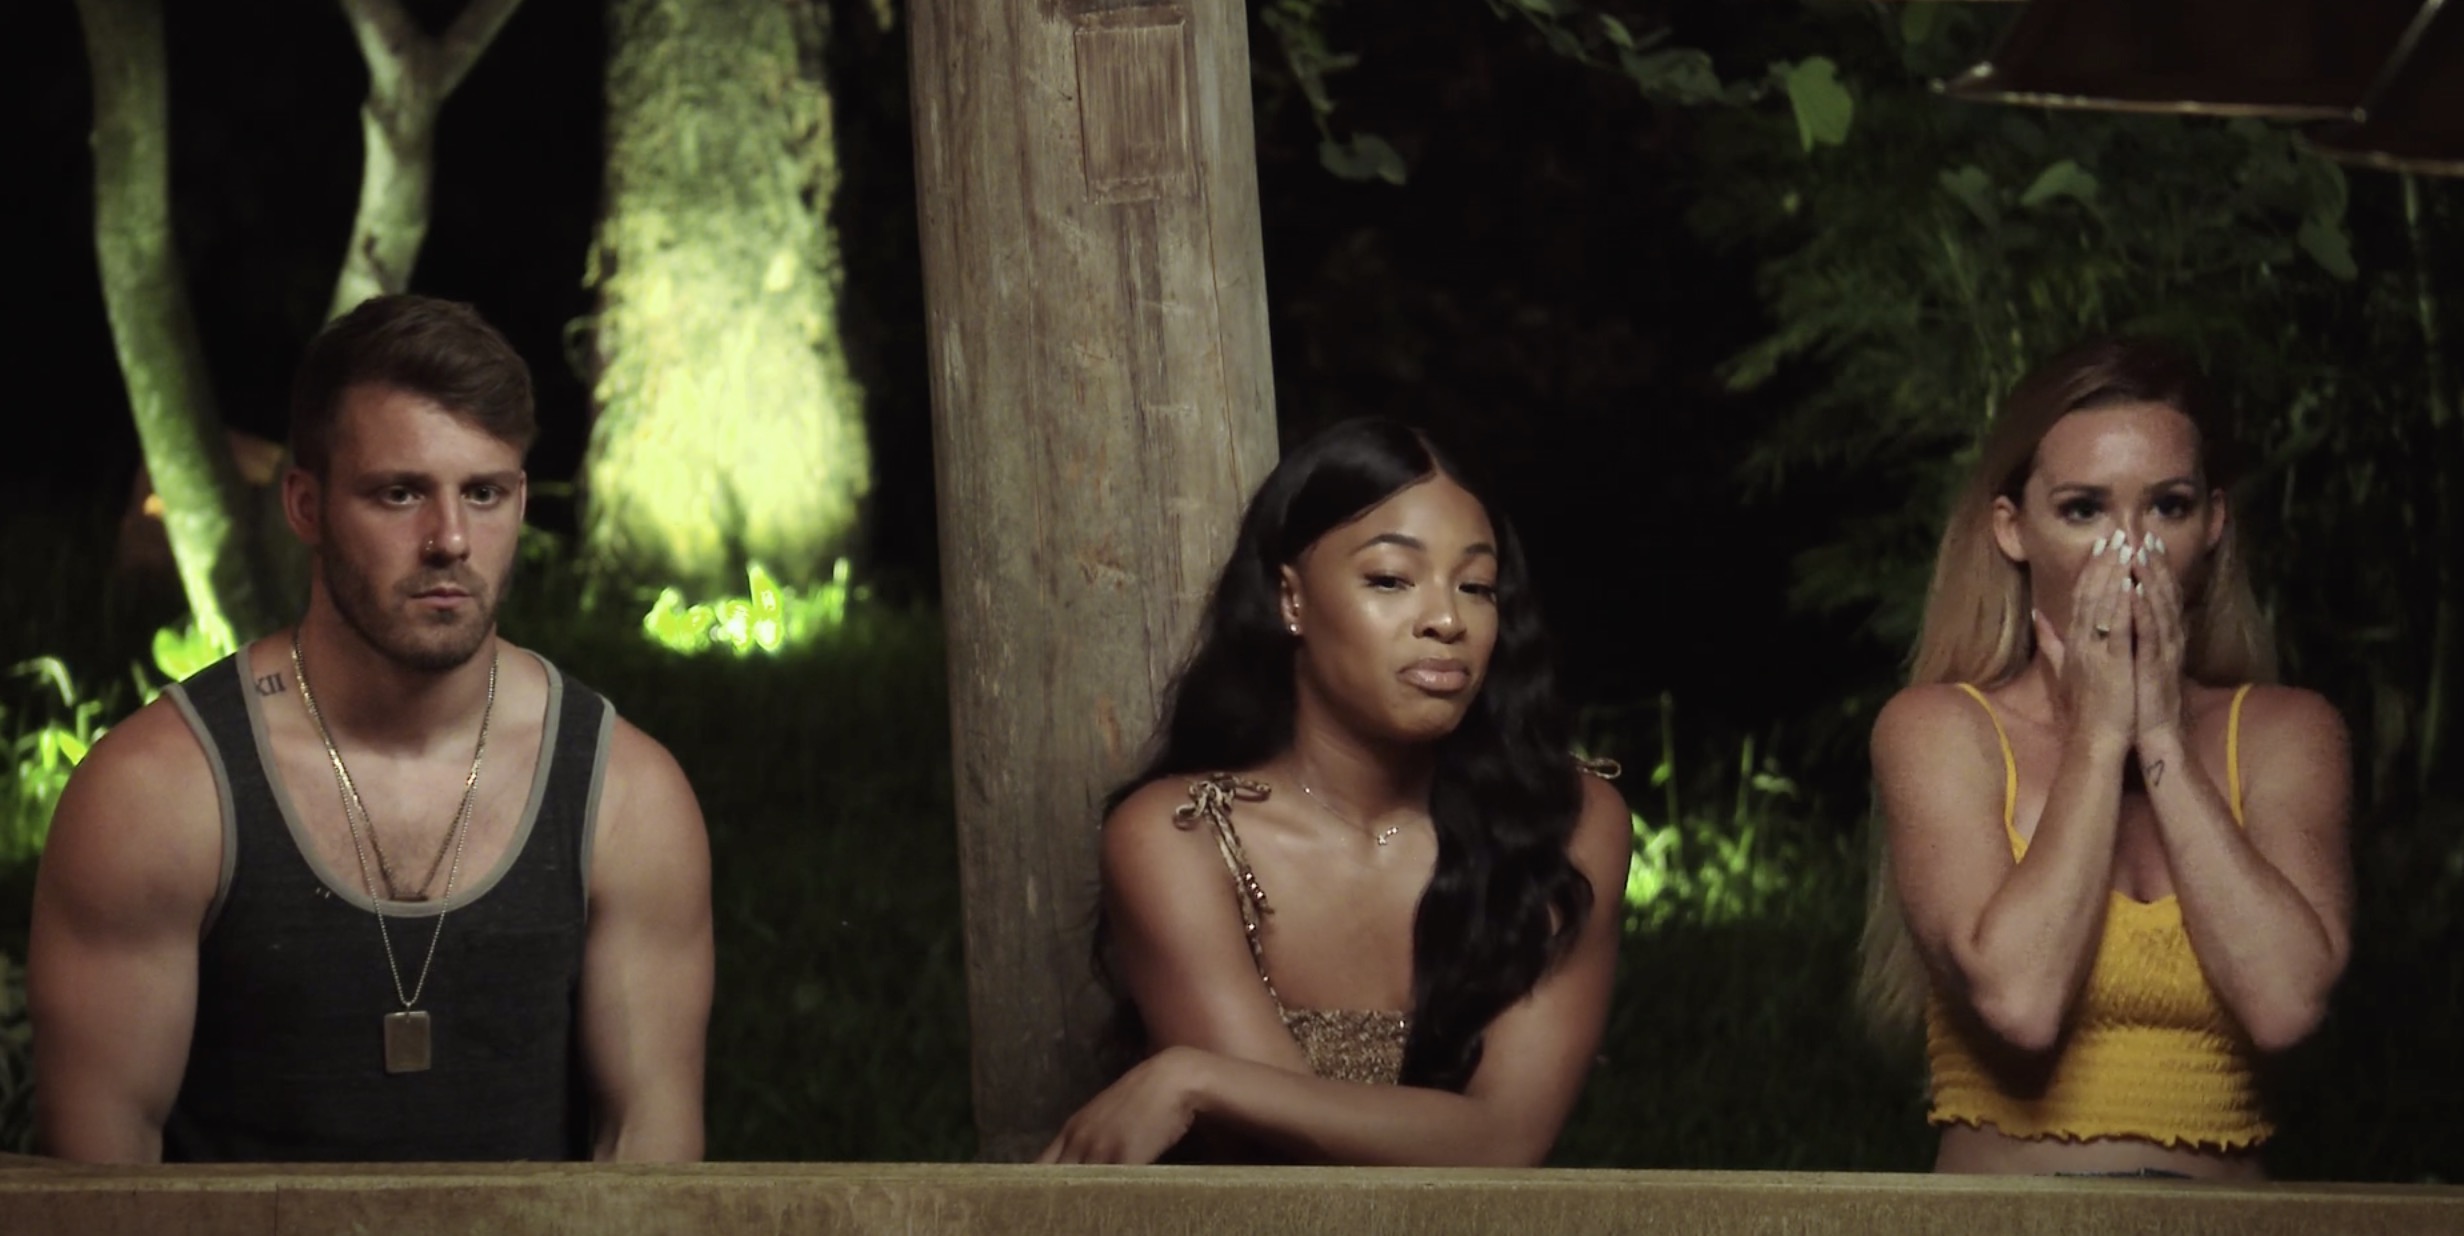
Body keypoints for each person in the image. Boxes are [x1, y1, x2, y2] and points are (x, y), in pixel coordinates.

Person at [28, 294, 714, 1163]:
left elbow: (650, 1164)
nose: (450, 539)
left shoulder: (626, 797)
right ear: (305, 506)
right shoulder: (155, 795)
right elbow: (100, 1187)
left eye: (484, 493)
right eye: (400, 493)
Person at [1036, 418, 1629, 1166]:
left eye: (1477, 587)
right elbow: (1293, 1172)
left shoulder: (1565, 823)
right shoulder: (1181, 836)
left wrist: (1195, 1079)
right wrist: (1217, 1087)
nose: (1447, 620)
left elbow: (1504, 1143)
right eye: (1390, 579)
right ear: (1291, 599)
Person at [1859, 337, 2352, 1177]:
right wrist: (2097, 735)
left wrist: (2160, 736)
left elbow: (2285, 1005)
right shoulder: (1938, 731)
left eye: (2167, 507)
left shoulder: (2288, 734)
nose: (2130, 550)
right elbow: (2021, 1002)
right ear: (2013, 529)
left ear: (2213, 524)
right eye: (2085, 510)